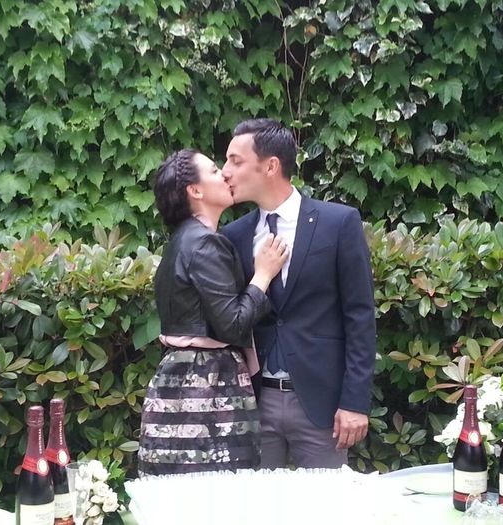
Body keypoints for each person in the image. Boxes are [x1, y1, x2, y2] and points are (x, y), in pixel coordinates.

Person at [221, 119, 376, 469]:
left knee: (325, 501)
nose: (225, 171)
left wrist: (354, 402)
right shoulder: (234, 235)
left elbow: (360, 316)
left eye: (235, 161)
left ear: (271, 166)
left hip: (322, 405)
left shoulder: (338, 223)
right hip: (255, 404)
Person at [138, 148, 289, 476]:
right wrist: (263, 275)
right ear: (195, 190)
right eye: (214, 171)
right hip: (207, 387)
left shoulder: (180, 240)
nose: (225, 174)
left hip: (178, 380)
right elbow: (232, 325)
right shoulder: (205, 243)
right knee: (215, 492)